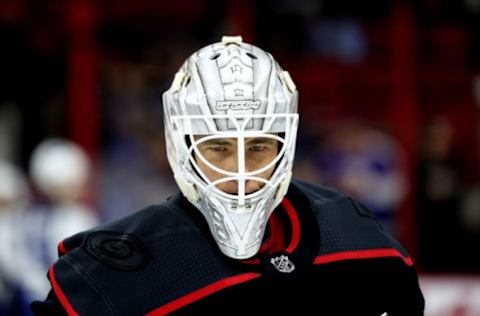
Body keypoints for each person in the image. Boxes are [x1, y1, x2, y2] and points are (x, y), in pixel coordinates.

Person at [31, 36, 424, 315]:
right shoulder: (110, 278)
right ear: (182, 145)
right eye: (218, 147)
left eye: (258, 147)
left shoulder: (367, 249)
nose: (239, 173)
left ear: (284, 146)